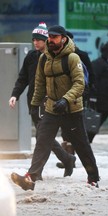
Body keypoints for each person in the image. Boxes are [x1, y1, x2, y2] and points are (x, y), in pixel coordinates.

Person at [10, 25, 100, 191]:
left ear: (63, 39)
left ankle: (93, 177)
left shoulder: (72, 58)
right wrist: (34, 105)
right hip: (51, 109)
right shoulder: (44, 59)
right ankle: (31, 178)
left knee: (81, 145)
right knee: (42, 142)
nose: (51, 40)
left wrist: (65, 100)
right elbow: (39, 84)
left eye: (55, 37)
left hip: (71, 109)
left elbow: (80, 84)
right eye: (49, 37)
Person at [8, 22, 76, 182]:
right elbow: (22, 78)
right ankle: (67, 159)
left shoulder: (54, 57)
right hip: (33, 102)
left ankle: (35, 173)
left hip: (49, 102)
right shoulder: (31, 57)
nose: (36, 42)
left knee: (43, 136)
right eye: (34, 40)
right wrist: (14, 95)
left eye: (39, 39)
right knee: (43, 136)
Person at [56, 30, 96, 169]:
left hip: (78, 97)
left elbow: (90, 75)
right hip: (61, 98)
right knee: (64, 128)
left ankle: (82, 162)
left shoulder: (81, 55)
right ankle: (68, 158)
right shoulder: (58, 56)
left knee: (76, 128)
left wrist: (88, 94)